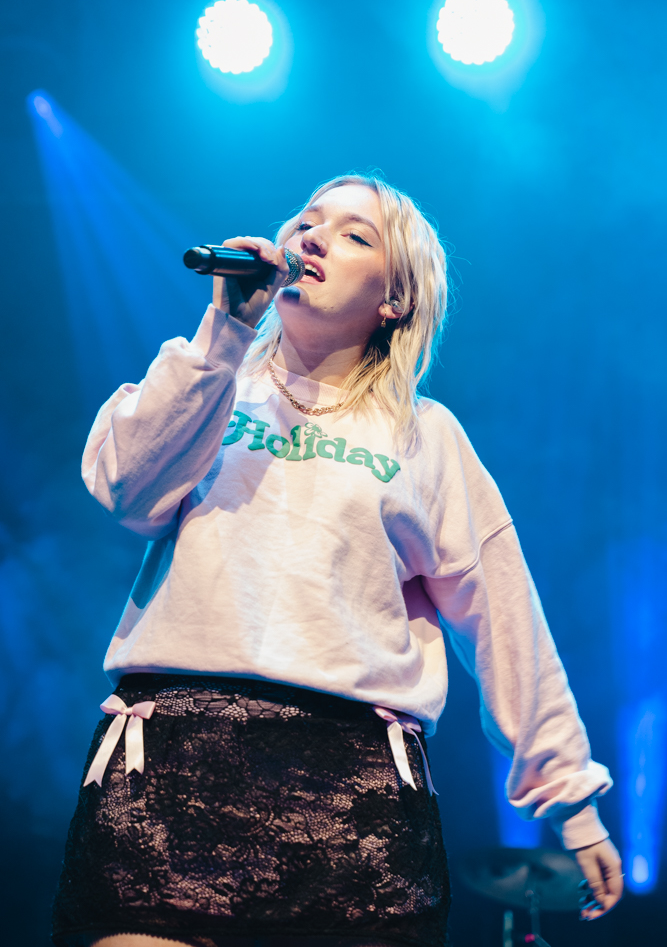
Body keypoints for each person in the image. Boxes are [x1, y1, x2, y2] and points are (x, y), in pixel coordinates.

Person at [52, 174, 623, 947]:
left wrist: (571, 800)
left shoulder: (425, 436)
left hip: (354, 791)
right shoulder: (204, 383)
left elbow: (503, 618)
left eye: (355, 234)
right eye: (306, 222)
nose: (313, 237)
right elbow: (126, 490)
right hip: (173, 763)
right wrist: (222, 336)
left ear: (396, 299)